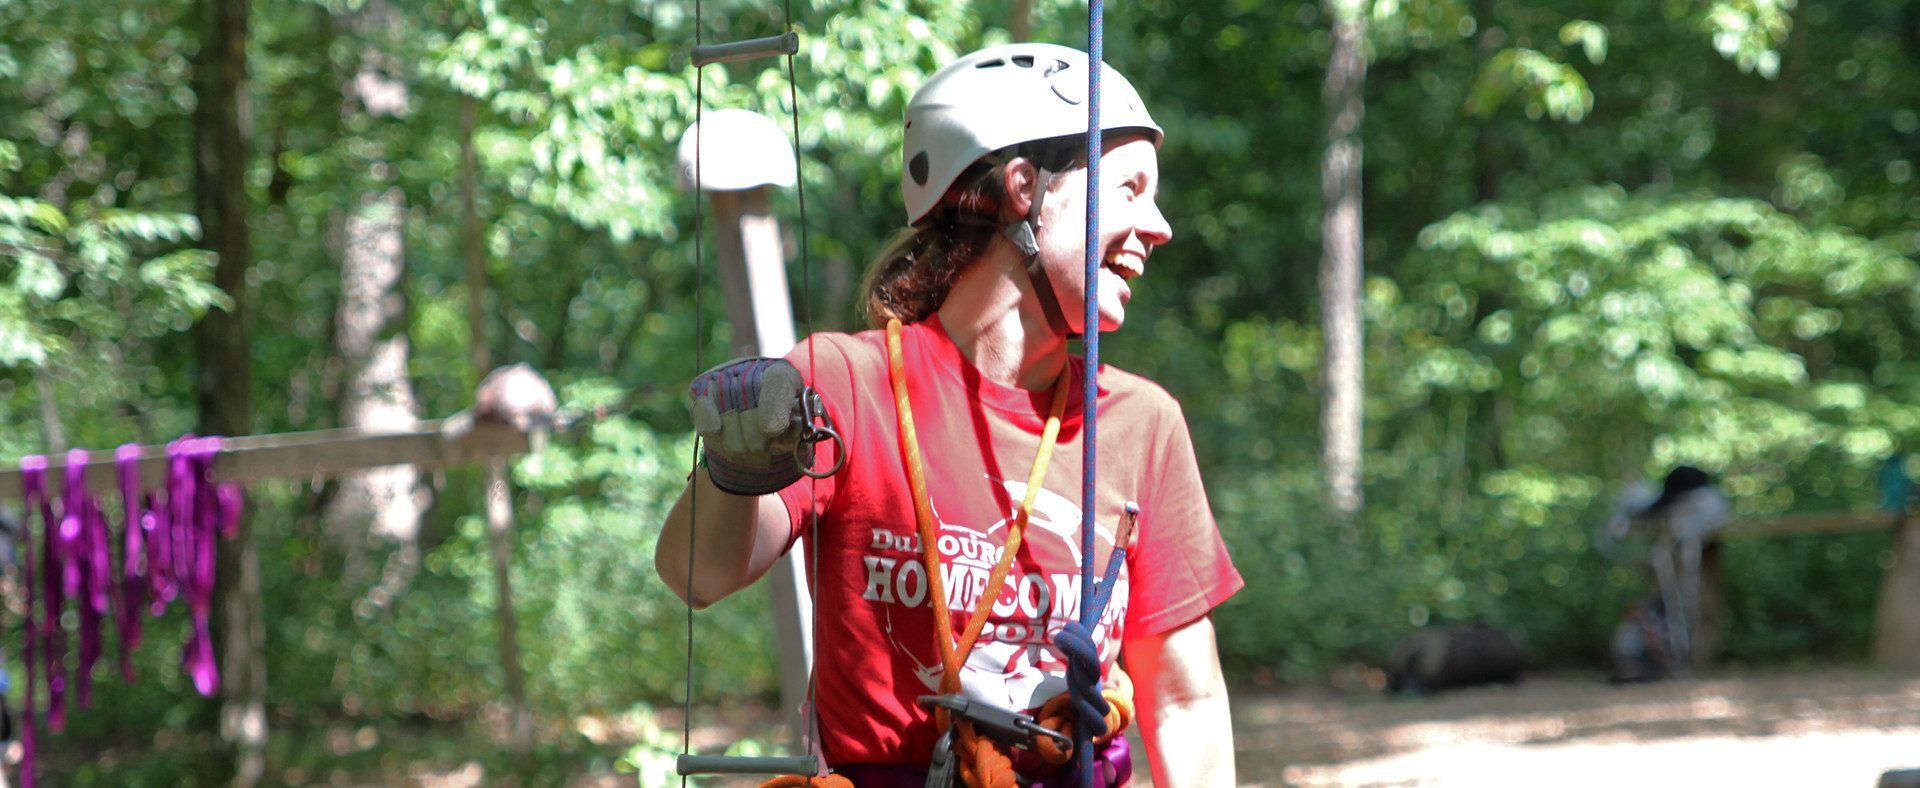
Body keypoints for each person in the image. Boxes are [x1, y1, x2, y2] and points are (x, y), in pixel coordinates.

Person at [656, 43, 1242, 786]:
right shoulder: (847, 381)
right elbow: (696, 574)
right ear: (1025, 188)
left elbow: (1186, 697)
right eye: (1130, 189)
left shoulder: (1139, 421)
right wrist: (736, 469)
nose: (1159, 227)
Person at [1600, 465, 1730, 680]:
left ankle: (1687, 660)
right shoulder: (1677, 520)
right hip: (1675, 563)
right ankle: (1663, 660)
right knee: (1665, 606)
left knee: (1695, 606)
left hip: (1695, 558)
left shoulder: (1704, 507)